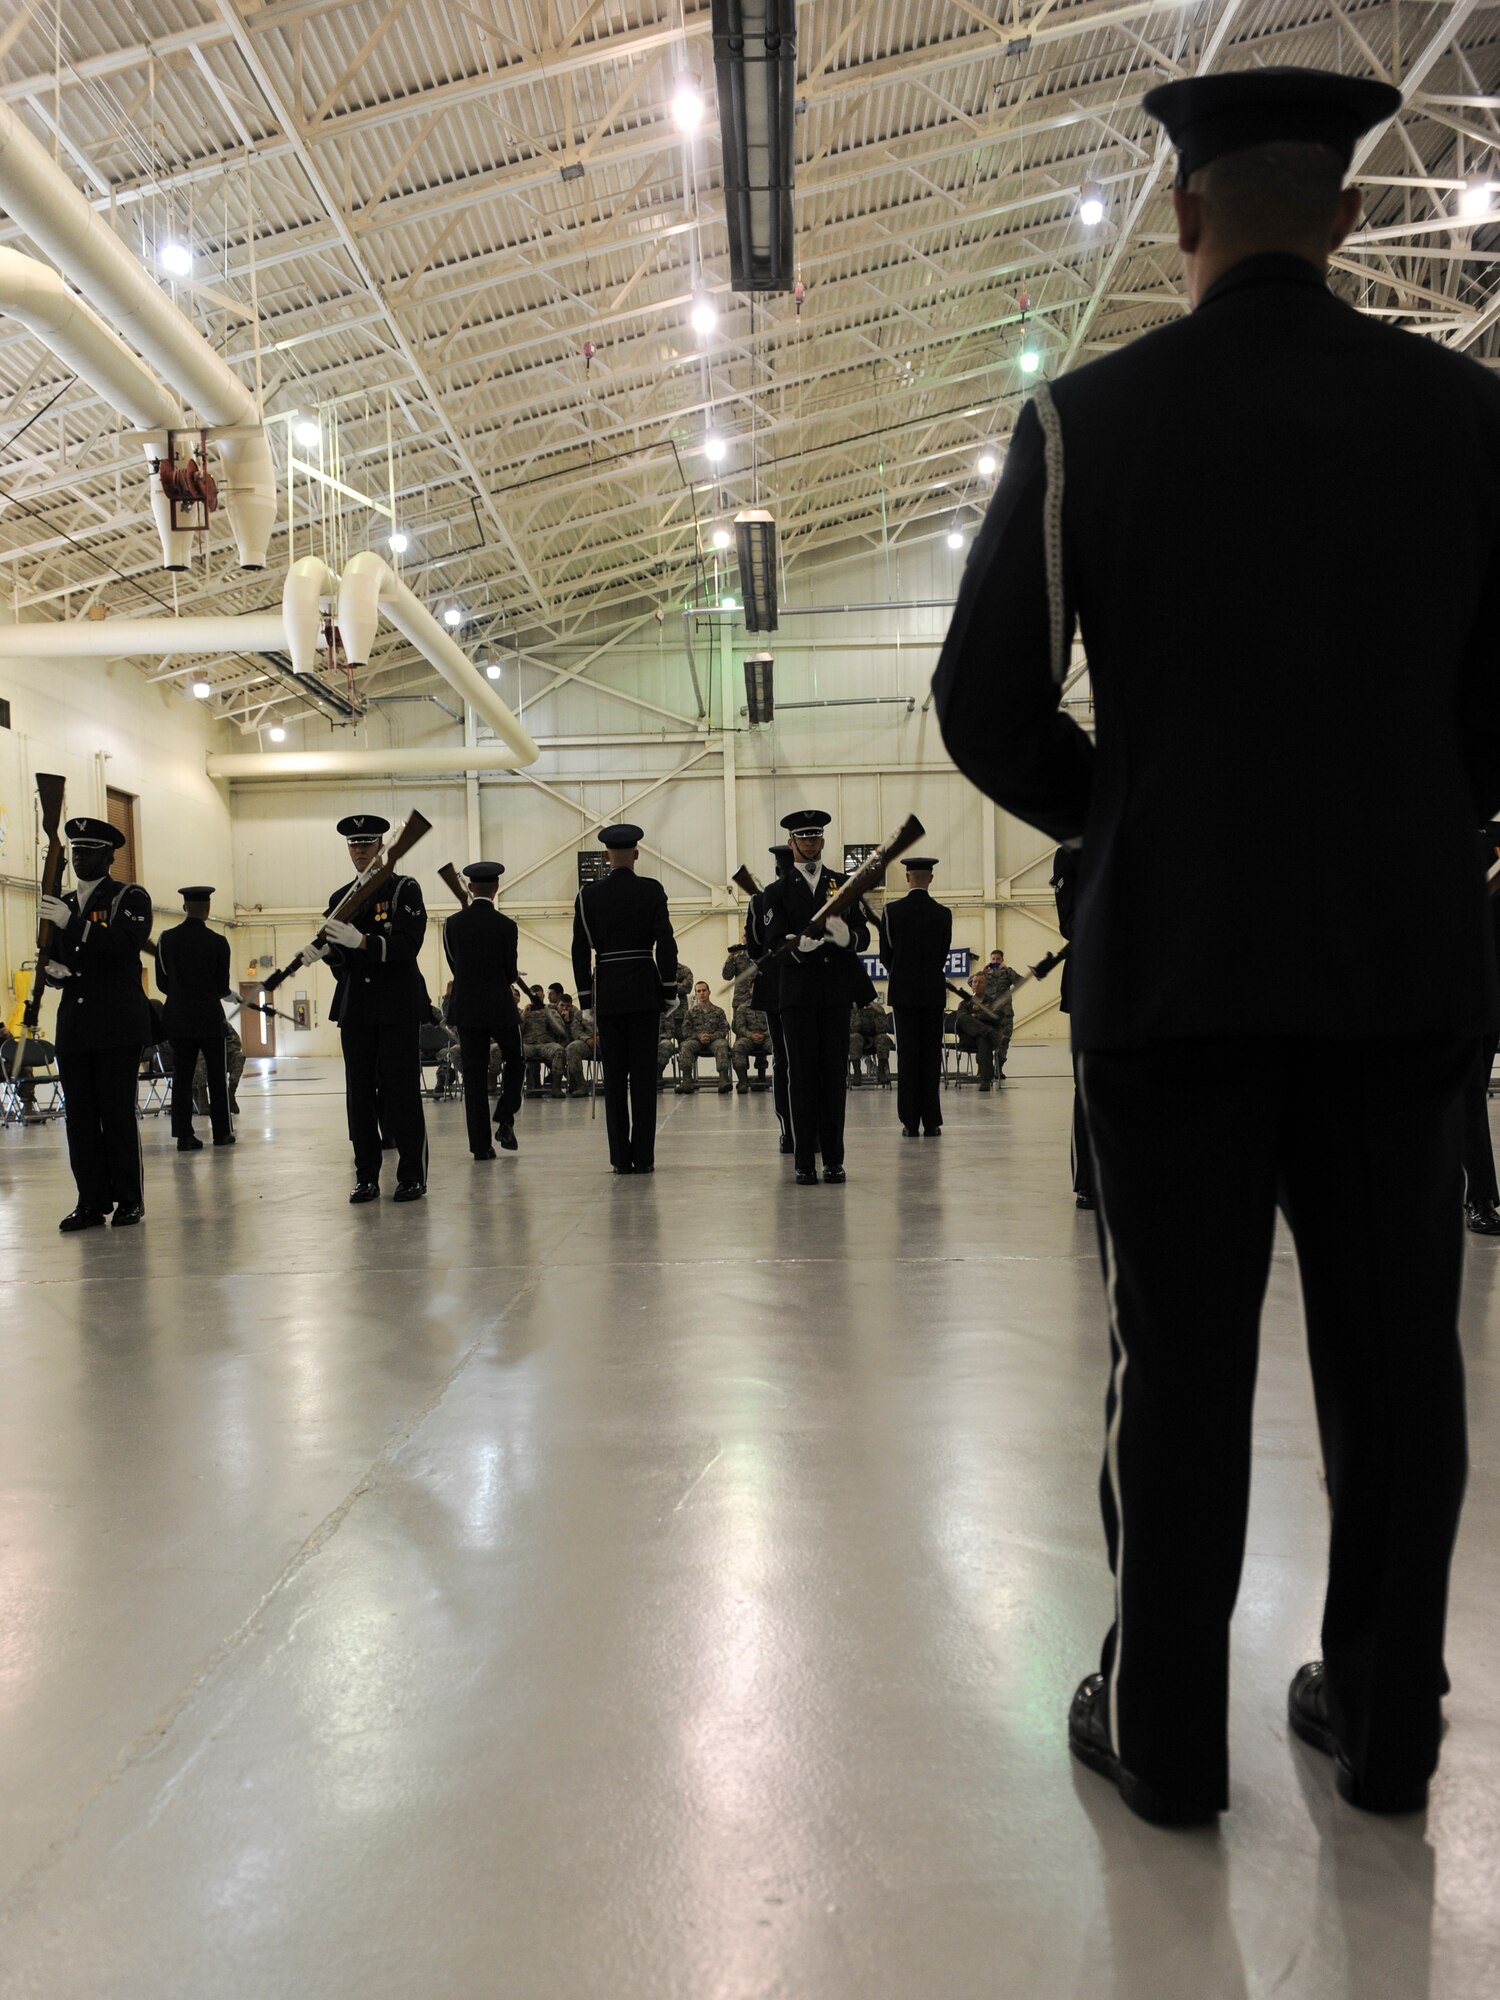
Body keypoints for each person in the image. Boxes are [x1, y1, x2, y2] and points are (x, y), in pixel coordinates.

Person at [932, 65, 1500, 1826]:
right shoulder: (1475, 422)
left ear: (1182, 218)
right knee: (1403, 1351)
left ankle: (1168, 1731)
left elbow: (984, 702)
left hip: (1172, 969)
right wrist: (1433, 808)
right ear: (1347, 221)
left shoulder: (1090, 423)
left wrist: (1126, 816)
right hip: (1405, 966)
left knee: (1178, 1355)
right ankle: (1388, 1727)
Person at [39, 816, 152, 1229]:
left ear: (109, 856)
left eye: (89, 850)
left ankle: (128, 1199)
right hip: (75, 1024)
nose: (80, 857)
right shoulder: (63, 902)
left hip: (117, 1023)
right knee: (80, 1118)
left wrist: (74, 924)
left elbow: (124, 945)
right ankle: (90, 1201)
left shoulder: (130, 897)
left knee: (116, 1114)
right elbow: (58, 961)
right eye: (75, 851)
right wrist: (53, 971)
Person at [312, 812, 429, 1203]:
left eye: (365, 844)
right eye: (353, 845)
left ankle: (411, 1174)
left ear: (380, 846)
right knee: (358, 1096)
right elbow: (343, 966)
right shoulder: (339, 899)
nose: (359, 851)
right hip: (357, 1008)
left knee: (401, 1094)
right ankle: (366, 1176)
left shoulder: (403, 890)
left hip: (396, 1006)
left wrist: (363, 942)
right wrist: (326, 953)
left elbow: (408, 946)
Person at [756, 809, 871, 1183]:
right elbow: (770, 943)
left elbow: (863, 933)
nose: (809, 843)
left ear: (822, 841)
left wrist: (848, 938)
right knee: (801, 1077)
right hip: (798, 995)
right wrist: (794, 947)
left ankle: (834, 1159)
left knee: (834, 1076)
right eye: (802, 838)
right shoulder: (774, 893)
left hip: (835, 992)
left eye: (815, 837)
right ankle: (804, 1160)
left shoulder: (843, 886)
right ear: (791, 844)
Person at [571, 822, 678, 1172]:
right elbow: (665, 941)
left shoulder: (588, 896)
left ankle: (620, 1159)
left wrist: (586, 999)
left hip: (610, 992)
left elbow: (579, 950)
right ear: (635, 854)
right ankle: (644, 1158)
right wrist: (668, 989)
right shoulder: (652, 890)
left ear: (605, 856)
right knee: (644, 1078)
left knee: (615, 1079)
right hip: (645, 992)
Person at [442, 860, 523, 1158]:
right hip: (500, 1005)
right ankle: (504, 1115)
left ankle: (480, 1146)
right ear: (497, 887)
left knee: (474, 1076)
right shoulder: (507, 926)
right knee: (515, 1060)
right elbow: (511, 972)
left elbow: (454, 965)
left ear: (471, 888)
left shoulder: (452, 924)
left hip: (467, 1008)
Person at [155, 885, 234, 1152]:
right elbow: (222, 985)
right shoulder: (218, 942)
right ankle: (222, 1133)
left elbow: (162, 983)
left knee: (182, 1077)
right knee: (216, 1077)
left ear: (185, 907)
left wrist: (181, 994)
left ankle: (184, 1136)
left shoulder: (166, 939)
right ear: (208, 909)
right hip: (210, 1018)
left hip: (178, 1018)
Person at [882, 855, 952, 1137]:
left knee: (908, 1058)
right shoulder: (943, 913)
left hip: (904, 993)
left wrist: (902, 974)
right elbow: (942, 953)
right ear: (931, 878)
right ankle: (932, 1120)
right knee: (931, 1056)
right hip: (933, 991)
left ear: (907, 877)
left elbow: (887, 955)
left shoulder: (892, 911)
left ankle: (910, 1122)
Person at [1052, 847, 1093, 1209]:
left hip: (1150, 976)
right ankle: (1090, 1183)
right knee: (1090, 1083)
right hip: (1093, 979)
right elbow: (1071, 922)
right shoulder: (1071, 851)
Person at [747, 843, 795, 1150]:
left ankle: (789, 1132)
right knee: (810, 1062)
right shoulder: (814, 898)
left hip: (776, 988)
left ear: (776, 869)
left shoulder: (760, 901)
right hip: (809, 989)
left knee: (783, 1061)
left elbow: (753, 949)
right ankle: (813, 1130)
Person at [952, 973, 1007, 1091]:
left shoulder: (993, 1002)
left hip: (984, 1040)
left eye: (980, 982)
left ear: (986, 985)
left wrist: (976, 1016)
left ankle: (985, 1081)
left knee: (983, 1039)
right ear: (971, 985)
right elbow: (962, 1019)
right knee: (963, 1018)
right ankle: (990, 1032)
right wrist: (984, 1018)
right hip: (968, 1038)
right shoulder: (965, 1003)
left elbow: (998, 1017)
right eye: (974, 982)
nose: (976, 984)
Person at [676, 980, 732, 1093]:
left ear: (709, 992)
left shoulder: (718, 1011)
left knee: (722, 1044)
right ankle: (687, 1080)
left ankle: (723, 1079)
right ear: (695, 994)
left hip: (714, 1041)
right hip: (696, 1041)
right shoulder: (690, 1013)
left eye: (704, 990)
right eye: (699, 991)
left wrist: (711, 1037)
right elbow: (686, 1031)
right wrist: (699, 1036)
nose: (702, 993)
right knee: (685, 1045)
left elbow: (724, 1029)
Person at [981, 949, 1023, 1079]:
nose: (995, 961)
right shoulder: (984, 974)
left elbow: (1020, 981)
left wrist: (1008, 969)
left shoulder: (1007, 973)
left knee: (1003, 1042)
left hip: (1005, 1015)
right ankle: (983, 1070)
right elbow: (971, 982)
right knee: (983, 1041)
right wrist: (982, 972)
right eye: (993, 959)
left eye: (998, 959)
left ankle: (999, 1069)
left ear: (1002, 960)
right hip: (987, 1014)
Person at [521, 998, 567, 1097]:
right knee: (516, 1052)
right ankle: (520, 1088)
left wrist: (549, 1014)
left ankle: (556, 1087)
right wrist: (524, 1015)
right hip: (528, 1045)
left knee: (559, 1050)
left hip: (546, 1044)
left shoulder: (552, 1012)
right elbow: (517, 1032)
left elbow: (561, 1031)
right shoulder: (523, 1011)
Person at [731, 999, 772, 1092]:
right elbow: (739, 1027)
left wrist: (764, 1034)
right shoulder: (742, 1008)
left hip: (766, 1037)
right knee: (738, 1046)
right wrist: (751, 1035)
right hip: (748, 1038)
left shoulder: (769, 1005)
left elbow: (775, 1024)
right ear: (749, 990)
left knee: (779, 1047)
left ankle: (781, 1079)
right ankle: (742, 1081)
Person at [849, 998, 894, 1083]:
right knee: (854, 1037)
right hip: (859, 1038)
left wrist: (878, 1012)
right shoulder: (853, 1011)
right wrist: (857, 1012)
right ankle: (857, 1073)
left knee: (884, 1038)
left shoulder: (877, 1009)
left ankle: (881, 1072)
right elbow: (852, 1029)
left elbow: (883, 1029)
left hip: (875, 1037)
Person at [566, 1004, 599, 1096]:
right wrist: (587, 1039)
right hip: (588, 1041)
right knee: (572, 1048)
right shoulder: (580, 1014)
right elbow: (576, 1031)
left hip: (606, 1041)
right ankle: (581, 1085)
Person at [722, 943, 758, 1011]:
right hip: (740, 1002)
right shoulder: (736, 959)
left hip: (758, 1001)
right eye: (745, 936)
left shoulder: (759, 956)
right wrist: (731, 956)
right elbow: (727, 976)